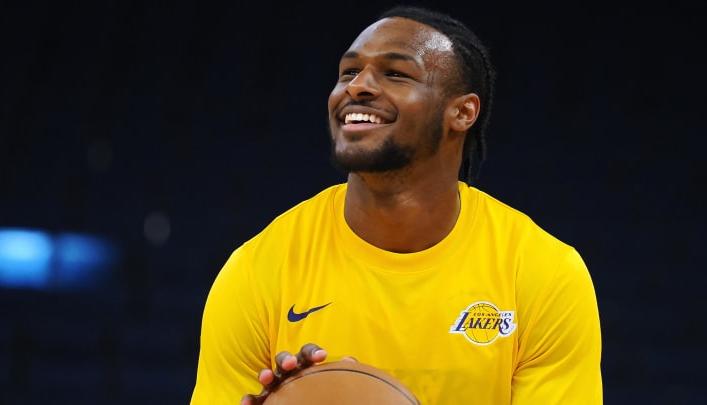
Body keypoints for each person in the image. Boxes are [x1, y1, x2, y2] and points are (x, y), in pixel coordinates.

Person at [190, 4, 602, 405]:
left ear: (462, 112)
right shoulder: (260, 270)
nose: (357, 86)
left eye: (395, 73)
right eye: (348, 72)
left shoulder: (542, 275)